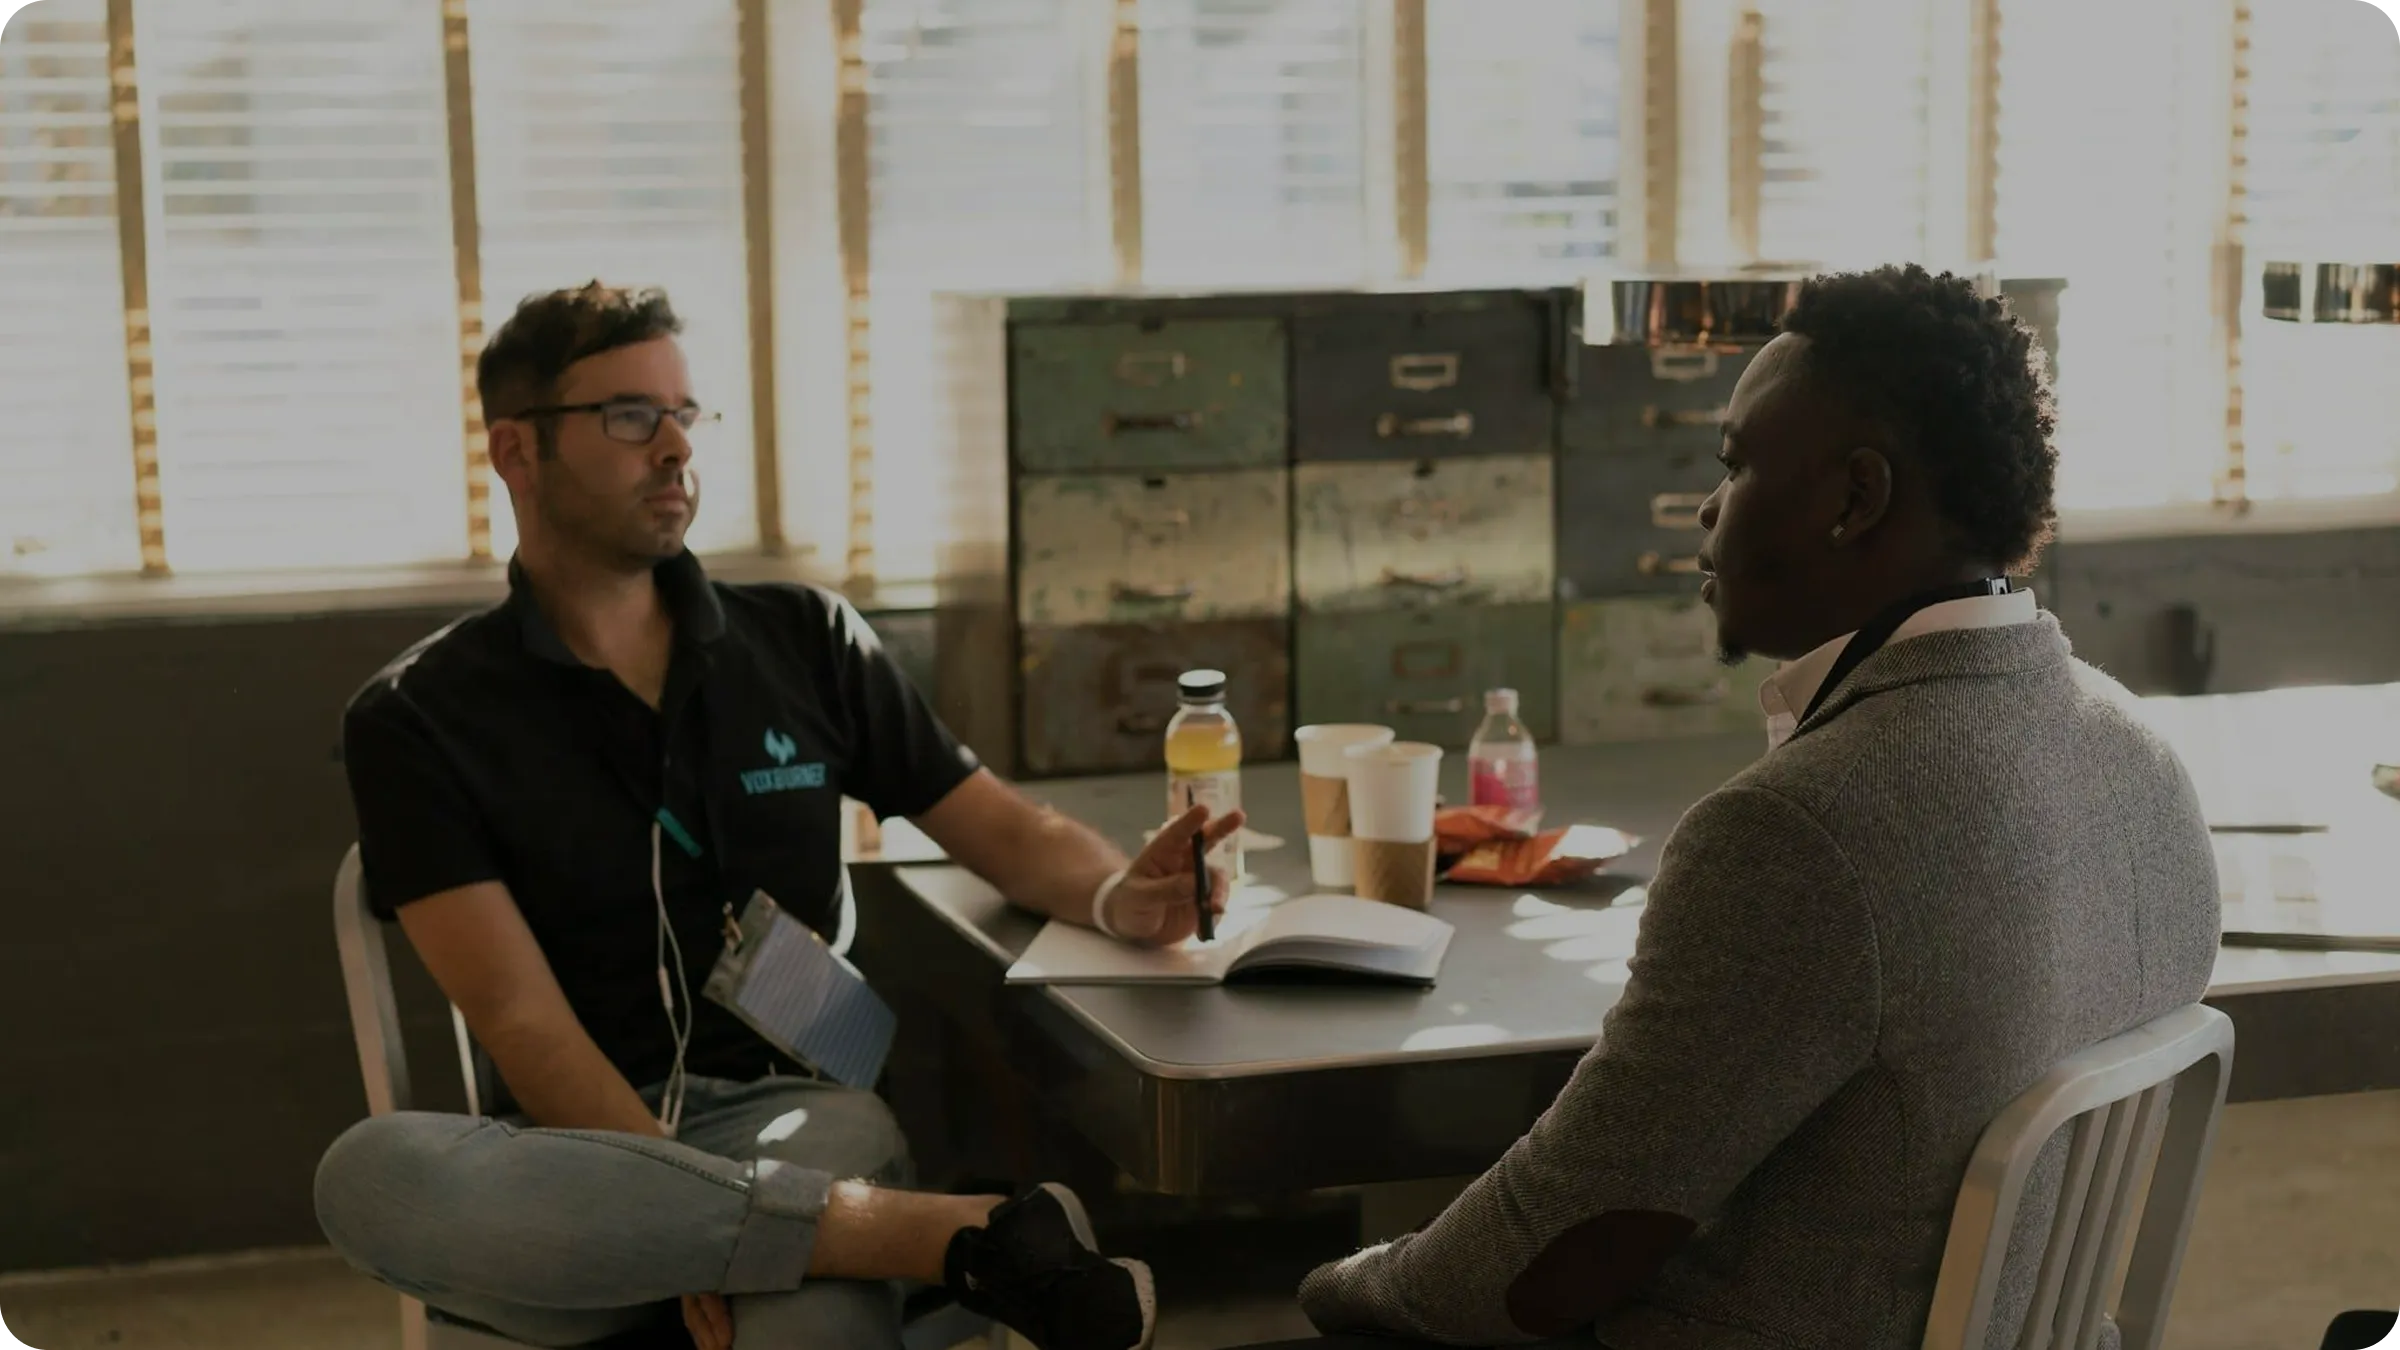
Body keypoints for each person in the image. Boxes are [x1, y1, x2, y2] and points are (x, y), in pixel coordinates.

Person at [1282, 265, 2221, 1348]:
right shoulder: (2141, 755)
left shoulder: (1799, 831)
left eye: (1736, 464)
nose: (1707, 506)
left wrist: (1341, 1289)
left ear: (1854, 500)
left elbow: (1556, 1253)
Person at [313, 282, 1241, 1350]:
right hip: (575, 1165)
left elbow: (1008, 832)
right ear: (517, 451)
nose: (675, 447)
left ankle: (835, 1247)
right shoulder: (416, 718)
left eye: (684, 413)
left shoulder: (805, 640)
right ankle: (957, 1239)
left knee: (802, 1327)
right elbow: (523, 1024)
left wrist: (1125, 896)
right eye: (630, 416)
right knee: (368, 1177)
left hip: (801, 1118)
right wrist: (682, 1221)